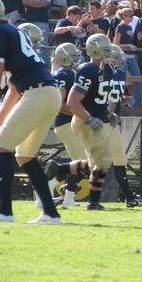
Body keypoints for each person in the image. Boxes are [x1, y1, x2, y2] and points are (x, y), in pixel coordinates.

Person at [0, 0, 62, 223]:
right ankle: (50, 213)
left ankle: (5, 212)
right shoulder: (10, 32)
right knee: (25, 155)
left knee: (0, 147)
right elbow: (13, 87)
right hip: (49, 93)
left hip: (36, 93)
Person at [67, 33, 115, 211]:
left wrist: (108, 113)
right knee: (103, 162)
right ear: (95, 49)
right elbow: (73, 101)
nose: (108, 52)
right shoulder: (88, 69)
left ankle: (58, 169)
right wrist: (89, 118)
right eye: (105, 48)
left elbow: (95, 99)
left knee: (96, 162)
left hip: (94, 119)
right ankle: (93, 202)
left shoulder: (103, 69)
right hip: (85, 121)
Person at [103, 44, 142, 207]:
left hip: (110, 122)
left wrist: (124, 99)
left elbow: (114, 95)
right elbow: (99, 97)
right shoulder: (99, 73)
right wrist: (107, 111)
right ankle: (64, 186)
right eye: (116, 57)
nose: (120, 60)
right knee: (94, 161)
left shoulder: (119, 74)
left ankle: (129, 197)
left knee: (117, 158)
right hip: (97, 121)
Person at [45, 42, 90, 208]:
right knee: (82, 162)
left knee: (80, 163)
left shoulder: (68, 73)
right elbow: (60, 103)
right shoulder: (63, 74)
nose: (77, 58)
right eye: (74, 55)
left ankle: (66, 195)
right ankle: (59, 191)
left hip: (69, 123)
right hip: (65, 123)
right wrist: (82, 114)